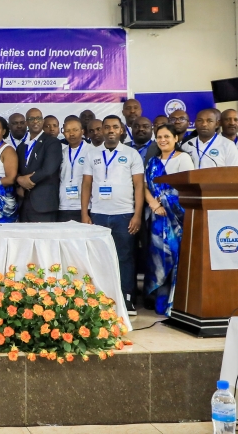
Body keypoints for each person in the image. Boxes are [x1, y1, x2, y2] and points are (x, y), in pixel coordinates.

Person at [81, 115, 145, 314]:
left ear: (121, 131)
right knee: (99, 258)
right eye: (106, 127)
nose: (110, 130)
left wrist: (137, 215)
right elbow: (86, 185)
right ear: (101, 130)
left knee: (125, 258)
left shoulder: (132, 154)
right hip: (98, 214)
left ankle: (127, 299)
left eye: (114, 127)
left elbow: (139, 186)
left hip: (124, 214)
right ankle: (100, 298)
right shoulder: (92, 154)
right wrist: (85, 214)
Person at [143, 124, 196, 316]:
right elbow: (145, 187)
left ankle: (176, 303)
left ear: (176, 138)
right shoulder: (152, 162)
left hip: (177, 218)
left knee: (176, 259)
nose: (162, 140)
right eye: (159, 137)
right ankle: (160, 301)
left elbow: (188, 187)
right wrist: (155, 205)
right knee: (159, 259)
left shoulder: (183, 159)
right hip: (157, 219)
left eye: (167, 136)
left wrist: (166, 204)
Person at [16, 107, 62, 222]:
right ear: (26, 123)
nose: (35, 121)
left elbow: (48, 169)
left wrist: (28, 180)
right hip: (24, 204)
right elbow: (16, 170)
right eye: (31, 119)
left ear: (42, 121)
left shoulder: (52, 142)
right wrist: (19, 180)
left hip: (44, 205)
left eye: (38, 118)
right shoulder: (21, 146)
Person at [57, 118, 89, 223]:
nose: (71, 134)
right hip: (64, 206)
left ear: (82, 131)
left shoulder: (92, 151)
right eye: (67, 131)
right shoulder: (62, 152)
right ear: (63, 132)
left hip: (86, 206)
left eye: (75, 130)